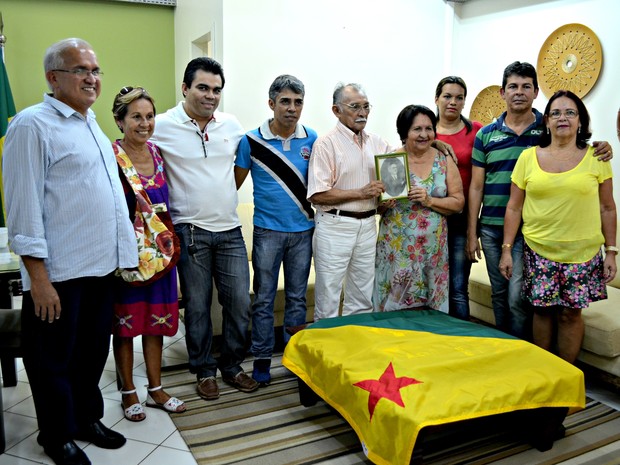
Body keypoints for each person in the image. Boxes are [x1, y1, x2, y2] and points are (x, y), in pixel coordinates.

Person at [2, 38, 137, 465]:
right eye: (81, 70)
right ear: (53, 77)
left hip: (100, 269)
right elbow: (24, 211)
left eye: (95, 70)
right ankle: (56, 433)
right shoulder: (31, 125)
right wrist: (38, 280)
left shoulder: (89, 122)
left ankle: (85, 419)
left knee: (91, 354)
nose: (92, 78)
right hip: (58, 276)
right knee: (52, 361)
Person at [467, 61, 613, 339]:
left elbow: (575, 146)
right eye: (513, 86)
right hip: (491, 226)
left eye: (526, 87)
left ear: (536, 92)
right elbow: (476, 187)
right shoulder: (486, 134)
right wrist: (472, 231)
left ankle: (524, 351)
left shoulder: (545, 128)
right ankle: (504, 344)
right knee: (500, 293)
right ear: (503, 92)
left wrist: (602, 146)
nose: (519, 92)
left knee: (518, 298)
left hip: (528, 230)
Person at [150, 57, 258, 401]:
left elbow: (243, 164)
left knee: (240, 302)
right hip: (189, 230)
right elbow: (134, 153)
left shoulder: (231, 124)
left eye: (216, 90)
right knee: (197, 306)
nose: (210, 96)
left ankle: (231, 366)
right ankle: (204, 369)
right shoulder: (163, 125)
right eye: (203, 88)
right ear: (185, 88)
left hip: (229, 230)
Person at [499, 90, 617, 363]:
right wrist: (507, 249)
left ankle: (566, 375)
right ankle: (545, 375)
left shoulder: (597, 158)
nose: (563, 118)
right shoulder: (528, 157)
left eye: (570, 113)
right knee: (542, 311)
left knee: (570, 314)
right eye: (556, 113)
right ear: (547, 121)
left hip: (583, 253)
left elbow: (607, 207)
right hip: (538, 250)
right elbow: (514, 207)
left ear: (580, 122)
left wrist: (611, 251)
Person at [234, 75, 316, 385]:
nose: (292, 108)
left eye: (298, 102)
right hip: (267, 232)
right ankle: (262, 361)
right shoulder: (250, 141)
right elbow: (234, 185)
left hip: (303, 232)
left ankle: (294, 360)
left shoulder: (313, 139)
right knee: (264, 299)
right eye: (285, 101)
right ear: (271, 104)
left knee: (296, 300)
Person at [111, 86, 186, 421]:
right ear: (120, 121)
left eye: (149, 116)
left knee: (155, 324)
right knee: (125, 326)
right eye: (136, 117)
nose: (145, 123)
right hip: (127, 256)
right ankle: (128, 392)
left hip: (161, 256)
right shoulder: (110, 157)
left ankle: (155, 388)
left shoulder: (157, 153)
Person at [307, 83, 390, 320]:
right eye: (354, 107)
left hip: (367, 226)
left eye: (366, 106)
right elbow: (317, 194)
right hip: (335, 225)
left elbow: (400, 163)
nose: (362, 112)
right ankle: (327, 353)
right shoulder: (326, 144)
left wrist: (434, 142)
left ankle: (355, 353)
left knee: (362, 298)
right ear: (336, 110)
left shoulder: (378, 142)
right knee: (329, 297)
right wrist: (361, 193)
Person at [374, 105, 464, 312]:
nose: (424, 134)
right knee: (395, 306)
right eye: (417, 129)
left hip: (433, 252)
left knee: (431, 308)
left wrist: (430, 201)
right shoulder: (391, 161)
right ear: (404, 132)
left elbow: (458, 203)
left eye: (429, 128)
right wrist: (382, 204)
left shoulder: (444, 159)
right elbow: (377, 208)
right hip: (397, 252)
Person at [434, 76, 483, 321]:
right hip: (429, 218)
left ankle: (462, 341)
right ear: (437, 99)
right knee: (430, 287)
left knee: (457, 288)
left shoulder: (476, 131)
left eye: (459, 97)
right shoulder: (423, 130)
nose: (453, 102)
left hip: (462, 218)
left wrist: (473, 232)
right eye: (447, 96)